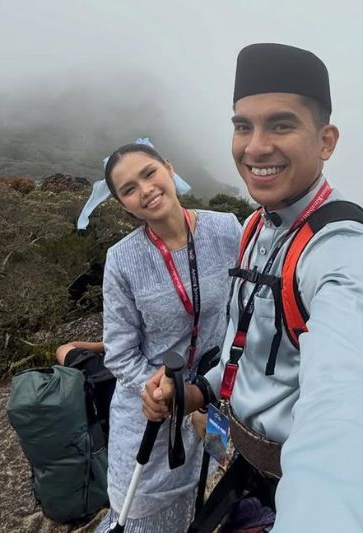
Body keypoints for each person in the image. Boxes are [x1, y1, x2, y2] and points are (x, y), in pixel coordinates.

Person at [142, 43, 363, 531]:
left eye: (281, 124)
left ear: (326, 140)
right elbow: (246, 358)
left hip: (294, 488)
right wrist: (192, 392)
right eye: (242, 126)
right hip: (244, 469)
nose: (254, 147)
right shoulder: (257, 227)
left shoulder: (345, 248)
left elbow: (353, 409)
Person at [94, 141, 242, 533]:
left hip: (211, 398)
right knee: (139, 512)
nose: (145, 190)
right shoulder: (122, 259)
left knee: (205, 500)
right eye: (128, 189)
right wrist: (162, 391)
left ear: (169, 168)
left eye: (149, 173)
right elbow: (120, 352)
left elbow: (247, 310)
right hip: (153, 408)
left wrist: (204, 394)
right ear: (124, 205)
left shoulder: (227, 228)